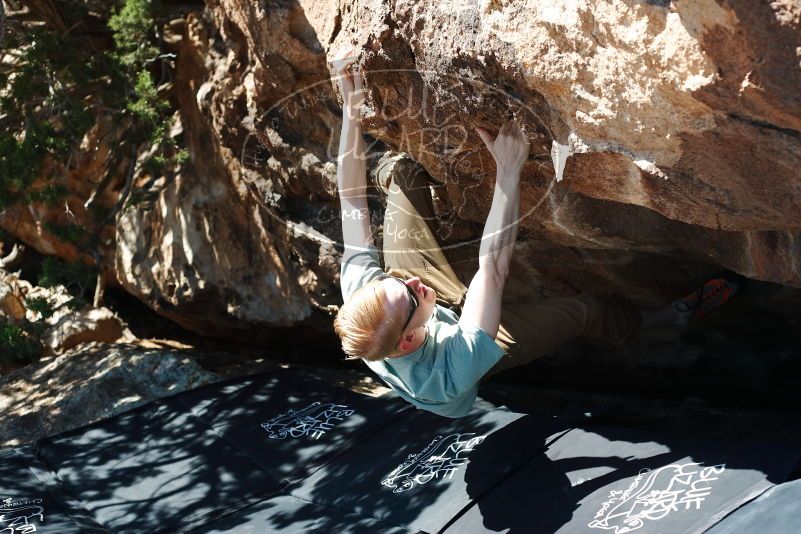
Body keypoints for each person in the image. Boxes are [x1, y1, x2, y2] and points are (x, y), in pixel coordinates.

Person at [330, 50, 742, 418]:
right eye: (410, 293)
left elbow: (351, 201)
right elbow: (492, 269)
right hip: (463, 344)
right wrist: (508, 170)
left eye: (396, 283)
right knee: (584, 311)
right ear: (406, 342)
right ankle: (662, 324)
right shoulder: (455, 369)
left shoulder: (370, 292)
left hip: (427, 318)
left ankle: (393, 175)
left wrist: (351, 111)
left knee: (403, 172)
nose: (411, 282)